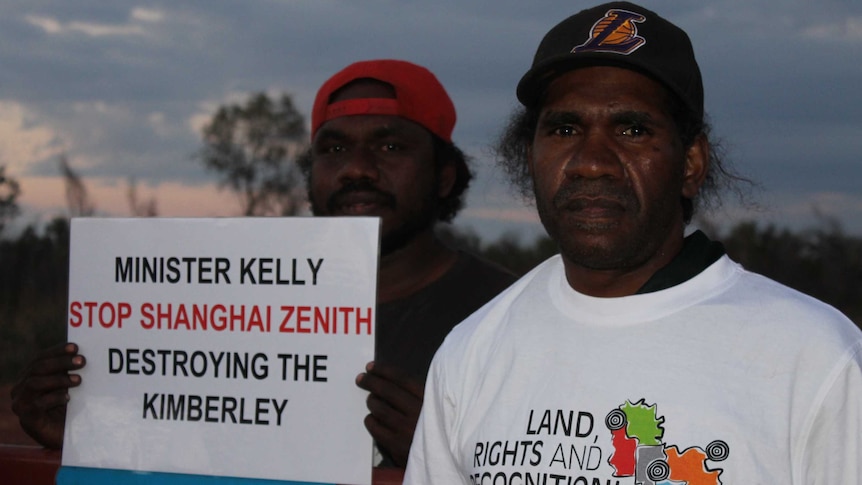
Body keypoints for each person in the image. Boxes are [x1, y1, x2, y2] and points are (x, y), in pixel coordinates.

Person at [404, 3, 862, 485]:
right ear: (530, 156)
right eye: (564, 130)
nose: (592, 162)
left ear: (690, 163)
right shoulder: (473, 350)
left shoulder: (815, 359)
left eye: (632, 130)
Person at [10, 59, 517, 470]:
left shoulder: (505, 317)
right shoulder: (228, 308)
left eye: (390, 146)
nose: (357, 169)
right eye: (334, 148)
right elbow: (192, 451)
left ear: (445, 176)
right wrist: (81, 436)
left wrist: (438, 463)